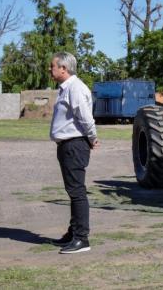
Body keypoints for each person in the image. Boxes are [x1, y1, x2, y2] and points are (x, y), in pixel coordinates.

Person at [47, 51, 98, 254]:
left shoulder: (75, 88)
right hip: (68, 145)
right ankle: (73, 232)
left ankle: (81, 238)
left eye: (52, 66)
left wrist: (92, 137)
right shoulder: (66, 88)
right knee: (73, 191)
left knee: (77, 192)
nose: (50, 70)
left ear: (63, 68)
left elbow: (85, 117)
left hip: (74, 144)